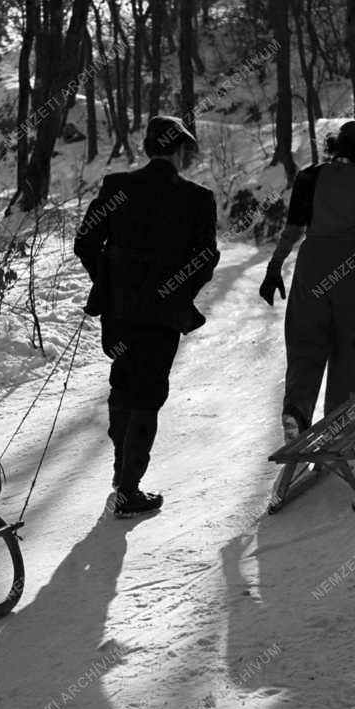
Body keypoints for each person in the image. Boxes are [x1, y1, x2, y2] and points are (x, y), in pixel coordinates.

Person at [74, 115, 219, 519]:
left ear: (148, 148)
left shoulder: (117, 186)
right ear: (180, 150)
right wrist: (179, 289)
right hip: (162, 312)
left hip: (119, 309)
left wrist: (109, 278)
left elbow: (85, 241)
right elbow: (206, 257)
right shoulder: (197, 197)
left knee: (123, 380)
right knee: (149, 392)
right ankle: (128, 486)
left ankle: (123, 472)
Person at [258, 119, 355, 443]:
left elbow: (293, 229)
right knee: (346, 345)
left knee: (304, 340)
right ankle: (338, 426)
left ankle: (296, 412)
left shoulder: (309, 177)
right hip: (352, 270)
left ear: (334, 146)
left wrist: (275, 266)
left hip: (313, 265)